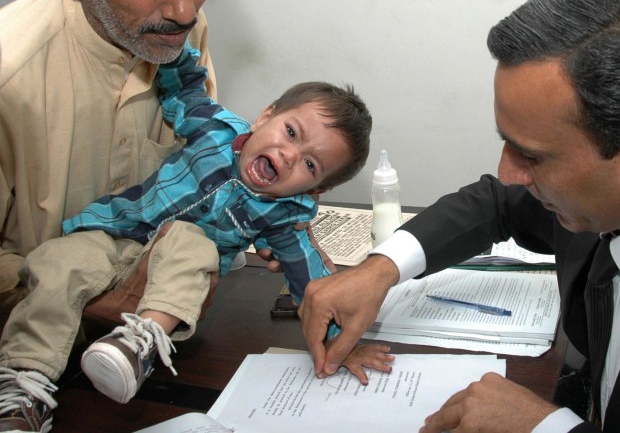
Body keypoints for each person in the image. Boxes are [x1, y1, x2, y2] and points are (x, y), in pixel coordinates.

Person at [297, 0, 620, 432]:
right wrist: (381, 269)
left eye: (531, 156)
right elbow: (496, 204)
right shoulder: (616, 189)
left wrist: (547, 428)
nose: (508, 172)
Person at [0, 44, 392, 431]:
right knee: (57, 263)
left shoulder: (282, 216)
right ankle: (23, 390)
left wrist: (343, 342)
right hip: (111, 235)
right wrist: (171, 44)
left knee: (191, 240)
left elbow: (314, 285)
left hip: (167, 283)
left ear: (315, 190)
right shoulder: (212, 128)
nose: (289, 155)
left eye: (310, 164)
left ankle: (140, 344)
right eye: (290, 132)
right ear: (264, 116)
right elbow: (185, 87)